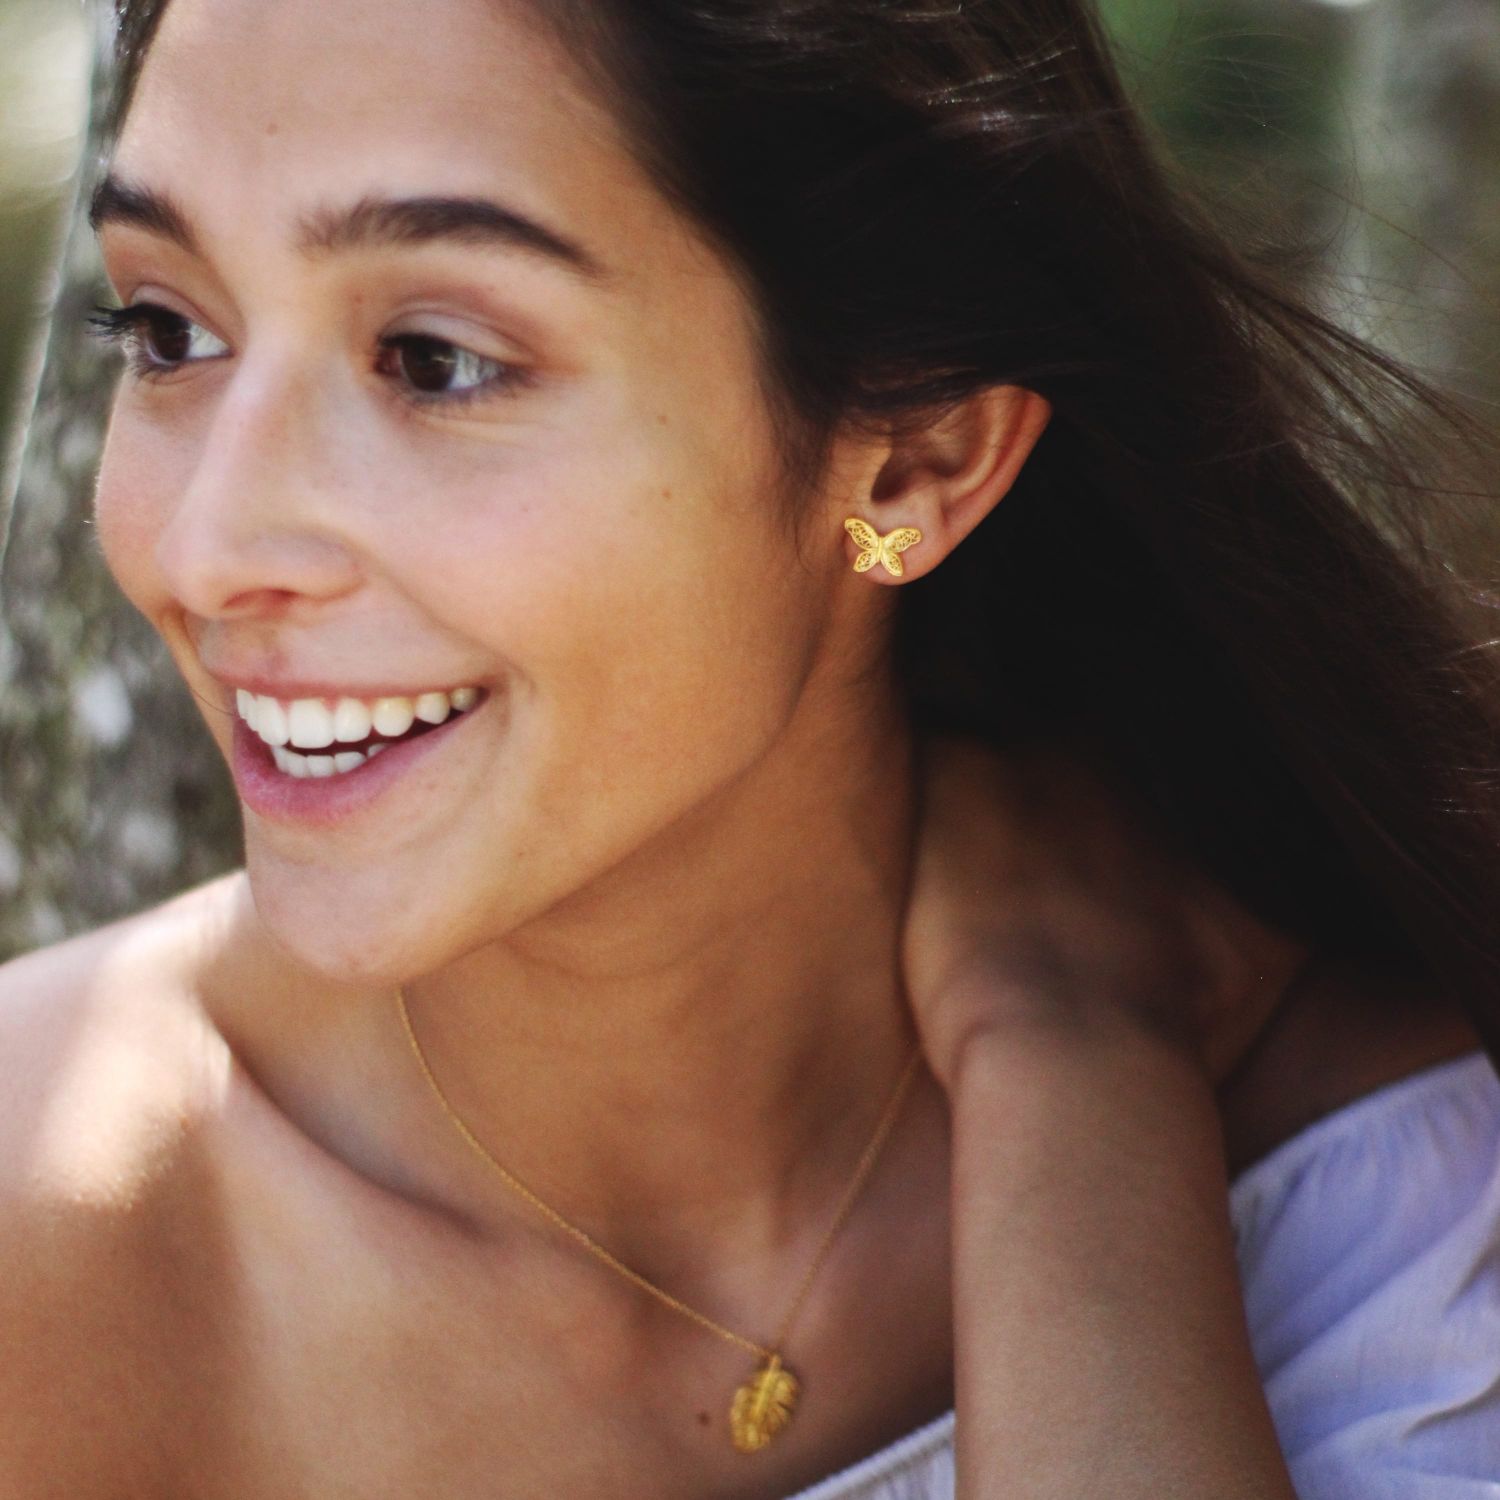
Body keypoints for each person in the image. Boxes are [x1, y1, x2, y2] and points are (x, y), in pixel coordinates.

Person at [1, 0, 1496, 1494]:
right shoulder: (53, 1241)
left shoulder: (1384, 1172)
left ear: (918, 461)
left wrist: (1072, 1067)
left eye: (436, 360)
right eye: (167, 331)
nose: (206, 549)